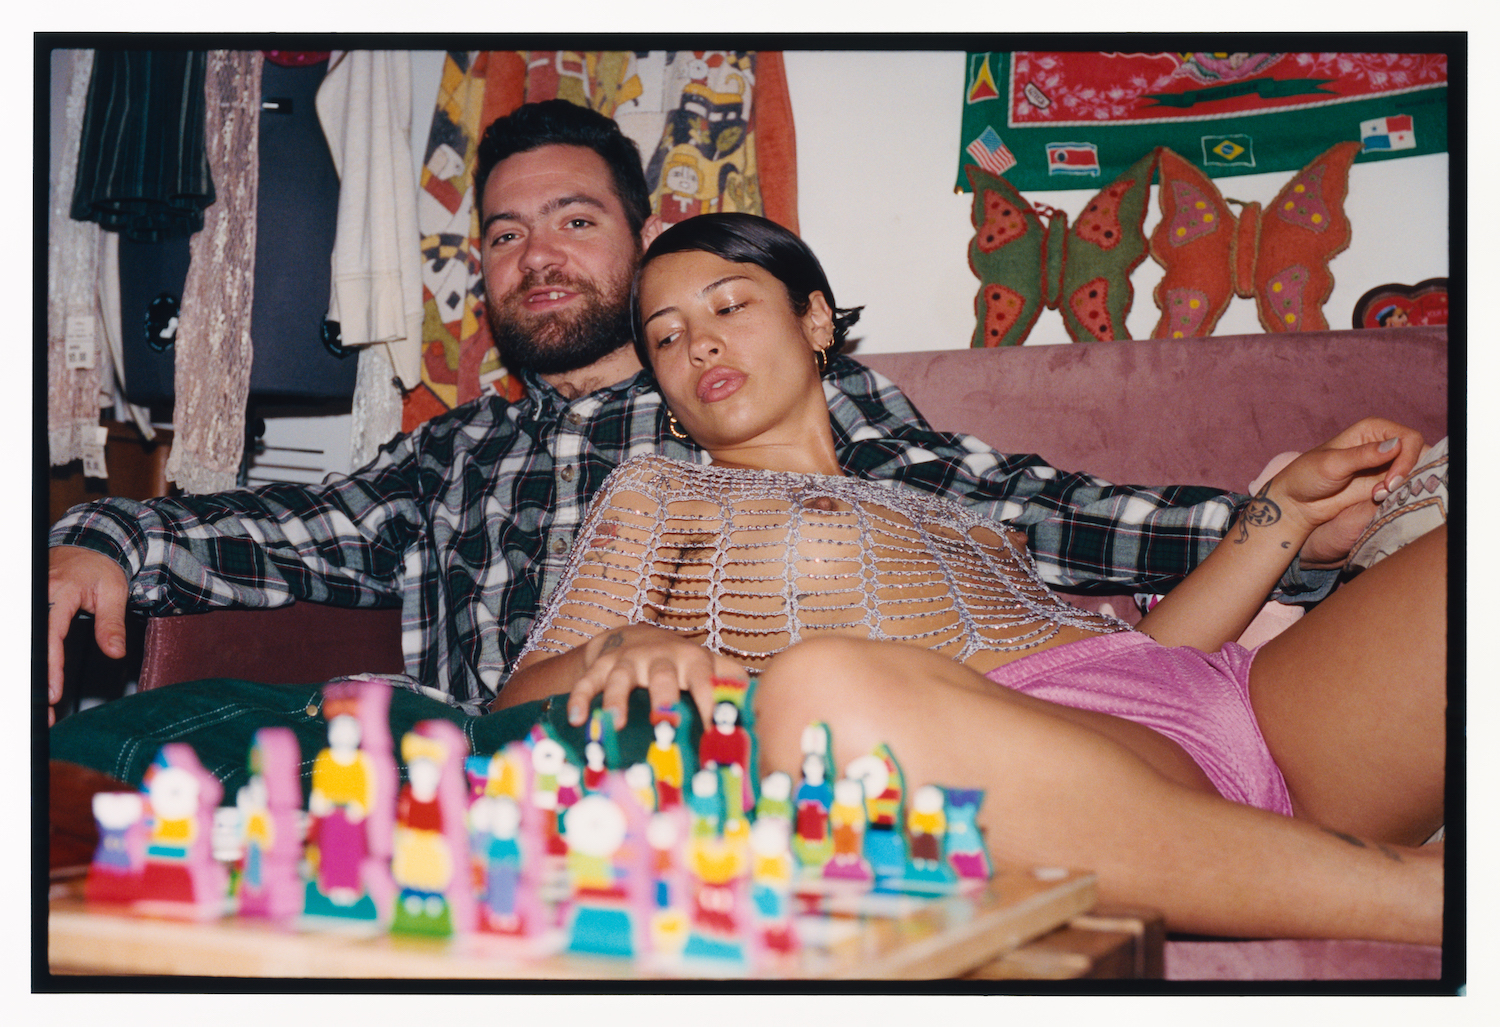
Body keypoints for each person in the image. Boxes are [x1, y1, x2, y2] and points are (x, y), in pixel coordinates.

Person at [47, 102, 1413, 800]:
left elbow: (1020, 507)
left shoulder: (756, 390)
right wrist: (102, 530)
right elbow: (271, 530)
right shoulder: (448, 451)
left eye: (574, 219)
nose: (536, 256)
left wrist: (1271, 517)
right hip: (554, 756)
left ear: (643, 237)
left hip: (835, 729)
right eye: (506, 233)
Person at [495, 213, 1445, 943]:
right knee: (822, 696)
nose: (698, 343)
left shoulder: (950, 500)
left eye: (729, 305)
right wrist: (623, 643)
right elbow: (512, 708)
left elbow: (1144, 665)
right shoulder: (658, 490)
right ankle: (1423, 893)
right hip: (1031, 785)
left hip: (1232, 709)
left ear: (815, 318)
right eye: (667, 336)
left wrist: (1287, 509)